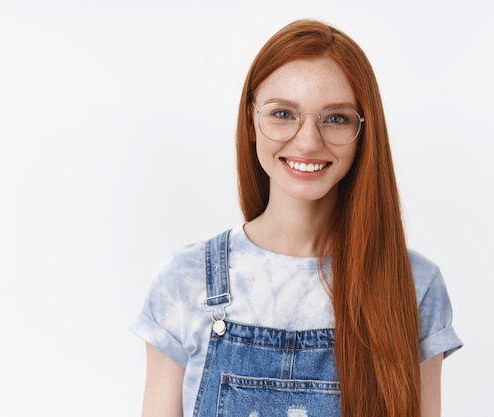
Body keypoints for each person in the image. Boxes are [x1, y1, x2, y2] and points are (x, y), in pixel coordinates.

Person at [131, 19, 462, 417]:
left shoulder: (414, 286)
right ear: (251, 121)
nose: (307, 141)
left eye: (336, 118)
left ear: (363, 133)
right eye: (283, 113)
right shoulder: (185, 282)